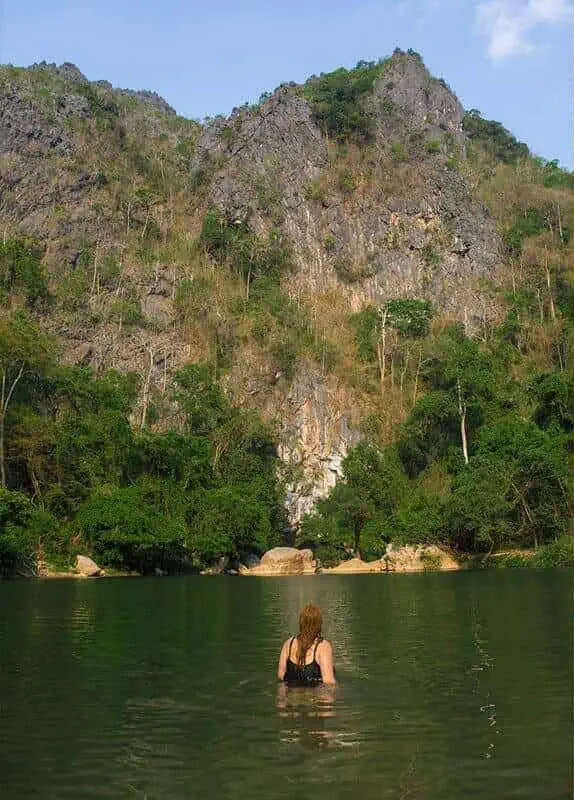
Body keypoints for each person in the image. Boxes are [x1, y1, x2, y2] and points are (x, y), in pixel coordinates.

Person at [277, 604, 336, 686]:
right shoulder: (323, 646)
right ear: (319, 623)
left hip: (292, 696)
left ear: (301, 623)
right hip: (314, 697)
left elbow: (281, 677)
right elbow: (329, 682)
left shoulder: (288, 644)